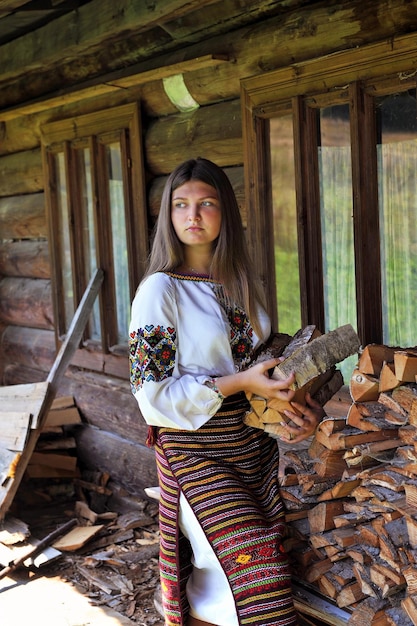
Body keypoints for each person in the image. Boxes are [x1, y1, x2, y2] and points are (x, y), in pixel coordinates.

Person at [129, 157, 325, 626]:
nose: (192, 216)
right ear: (168, 217)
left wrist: (295, 406)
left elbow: (259, 373)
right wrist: (240, 383)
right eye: (180, 205)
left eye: (206, 204)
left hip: (250, 446)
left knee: (223, 586)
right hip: (193, 449)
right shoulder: (160, 290)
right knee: (258, 578)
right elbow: (150, 394)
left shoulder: (242, 287)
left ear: (225, 213)